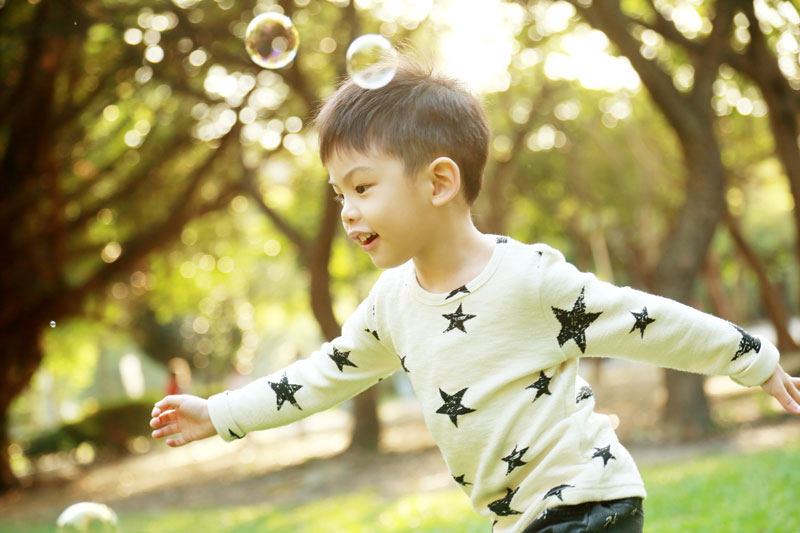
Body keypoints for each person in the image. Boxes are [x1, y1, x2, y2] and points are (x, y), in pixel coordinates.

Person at [150, 57, 800, 532]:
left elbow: (647, 320)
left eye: (362, 185)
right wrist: (222, 412)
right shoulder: (390, 304)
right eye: (338, 192)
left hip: (586, 502)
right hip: (516, 520)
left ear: (438, 182)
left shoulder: (528, 279)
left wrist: (755, 359)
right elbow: (321, 375)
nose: (346, 211)